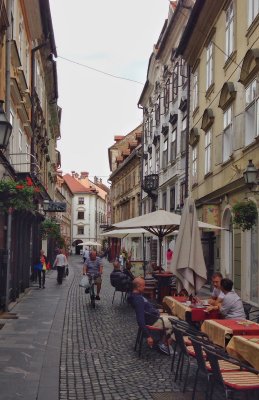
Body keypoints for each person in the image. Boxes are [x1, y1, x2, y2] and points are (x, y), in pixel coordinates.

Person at [128, 277, 175, 354]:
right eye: (143, 286)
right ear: (138, 286)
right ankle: (165, 344)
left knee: (174, 317)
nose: (145, 287)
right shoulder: (138, 299)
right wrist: (148, 336)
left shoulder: (136, 295)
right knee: (179, 323)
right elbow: (140, 320)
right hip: (154, 321)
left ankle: (163, 340)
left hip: (155, 317)